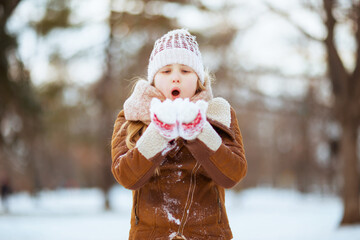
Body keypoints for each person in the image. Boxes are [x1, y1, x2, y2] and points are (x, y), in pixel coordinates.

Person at [111, 29, 247, 240]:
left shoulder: (219, 113)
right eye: (166, 71)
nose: (176, 78)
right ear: (154, 79)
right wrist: (158, 133)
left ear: (198, 78)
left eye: (185, 71)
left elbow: (232, 174)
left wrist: (199, 131)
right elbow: (127, 177)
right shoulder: (131, 117)